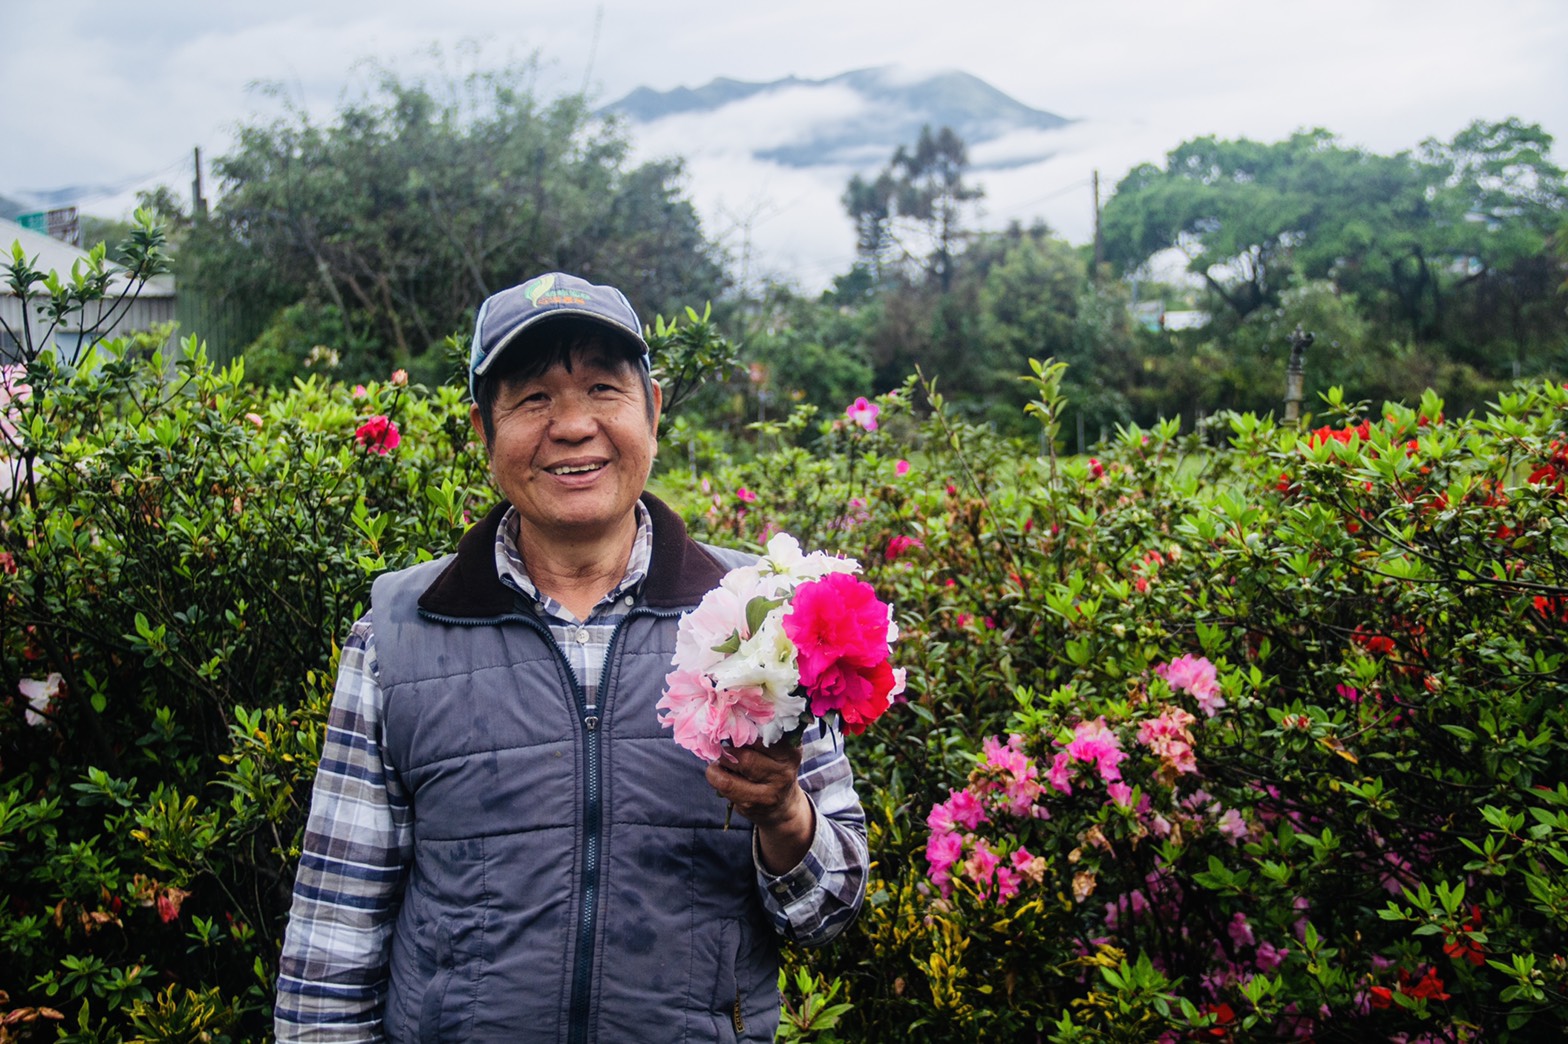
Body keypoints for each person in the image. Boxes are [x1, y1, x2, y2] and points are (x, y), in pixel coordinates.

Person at [274, 272, 869, 1043]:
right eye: (532, 399)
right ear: (484, 431)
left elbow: (830, 914)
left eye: (601, 388)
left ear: (652, 411)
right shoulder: (398, 634)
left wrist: (786, 815)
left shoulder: (759, 616)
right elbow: (334, 942)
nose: (573, 425)